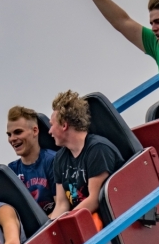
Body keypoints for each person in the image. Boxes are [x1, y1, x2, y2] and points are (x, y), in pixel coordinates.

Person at [47, 91, 126, 233]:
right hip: (80, 221)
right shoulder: (59, 158)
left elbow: (94, 200)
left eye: (51, 125)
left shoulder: (98, 149)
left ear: (64, 125)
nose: (49, 131)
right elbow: (62, 204)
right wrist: (51, 230)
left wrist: (65, 225)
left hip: (108, 222)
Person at [6, 106, 56, 213]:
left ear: (35, 131)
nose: (12, 139)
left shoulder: (52, 160)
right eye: (9, 135)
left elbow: (62, 207)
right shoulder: (11, 171)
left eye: (18, 132)